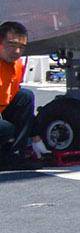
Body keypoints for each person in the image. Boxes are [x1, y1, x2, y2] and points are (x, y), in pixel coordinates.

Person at [0, 20, 34, 164]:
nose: (17, 52)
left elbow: (10, 95)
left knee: (25, 97)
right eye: (12, 45)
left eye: (22, 47)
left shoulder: (17, 64)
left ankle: (15, 154)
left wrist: (35, 133)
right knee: (5, 129)